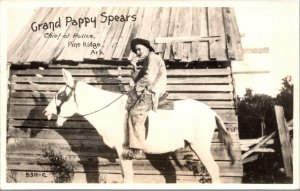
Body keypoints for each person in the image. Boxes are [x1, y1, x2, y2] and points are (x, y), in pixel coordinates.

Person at [124, 38, 167, 159]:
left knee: (135, 112)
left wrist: (135, 86)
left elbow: (149, 78)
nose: (137, 52)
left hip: (153, 90)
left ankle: (138, 148)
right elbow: (139, 77)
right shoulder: (148, 60)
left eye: (139, 49)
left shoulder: (153, 58)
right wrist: (134, 67)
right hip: (146, 90)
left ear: (147, 48)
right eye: (136, 50)